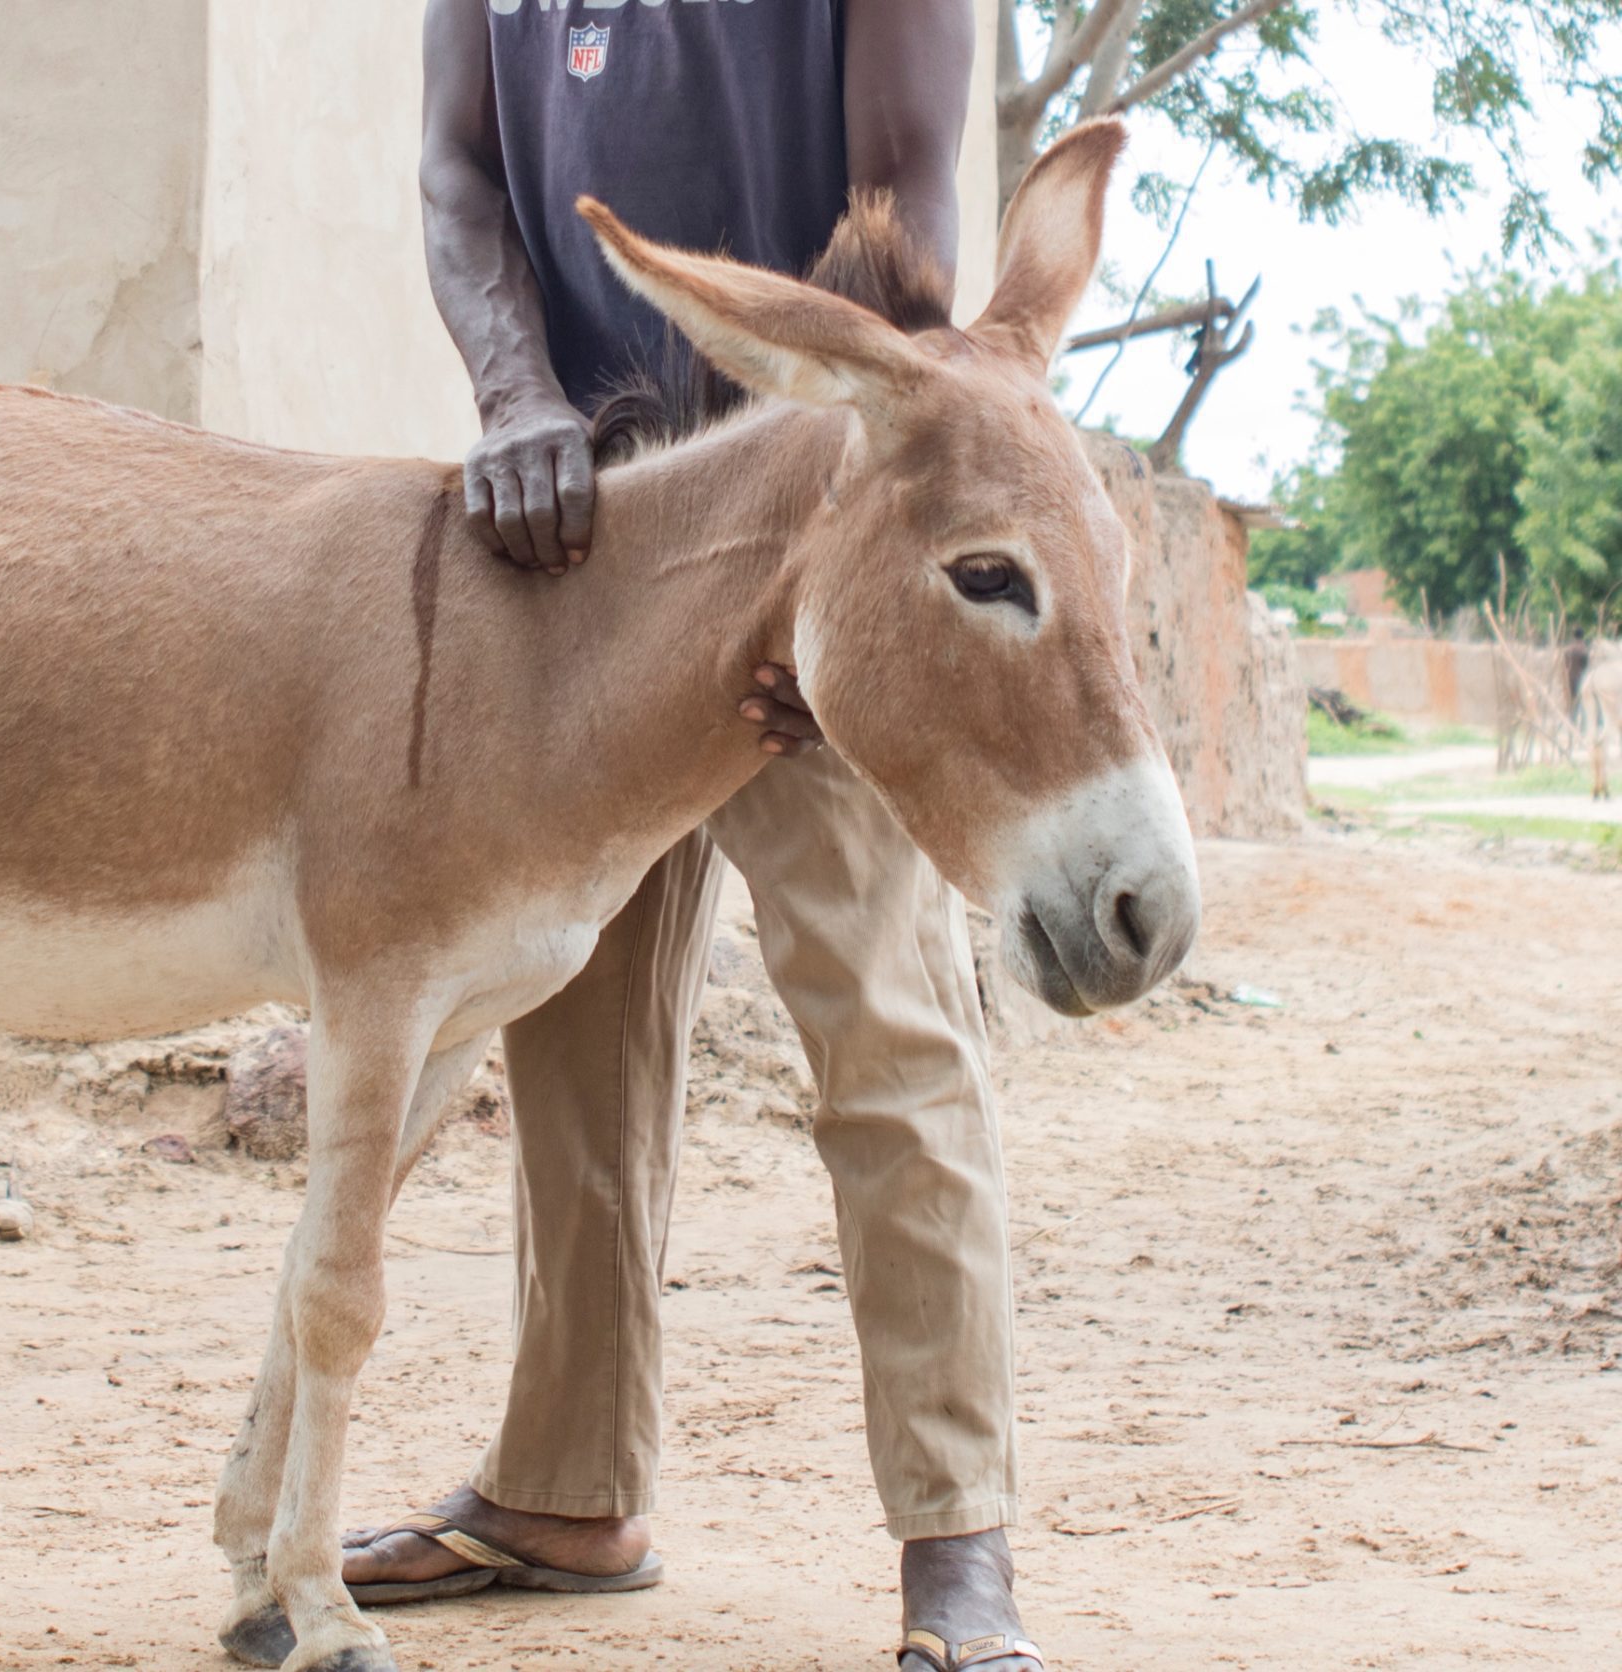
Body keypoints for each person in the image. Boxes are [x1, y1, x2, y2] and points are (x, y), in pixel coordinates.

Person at [342, 4, 1043, 1668]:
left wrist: (835, 537)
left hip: (811, 523)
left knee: (887, 1036)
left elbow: (905, 192)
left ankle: (958, 1543)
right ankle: (568, 1491)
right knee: (572, 1030)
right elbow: (458, 174)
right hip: (583, 540)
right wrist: (514, 393)